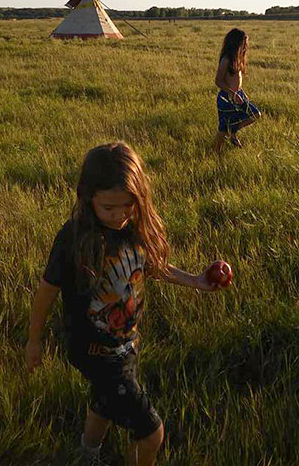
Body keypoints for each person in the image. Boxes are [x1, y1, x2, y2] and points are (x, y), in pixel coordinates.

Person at [26, 142, 229, 466]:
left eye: (128, 205)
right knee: (151, 432)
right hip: (93, 350)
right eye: (109, 208)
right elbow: (46, 291)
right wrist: (34, 341)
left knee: (104, 403)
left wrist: (196, 281)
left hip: (124, 342)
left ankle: (88, 453)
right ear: (87, 197)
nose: (119, 215)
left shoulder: (133, 228)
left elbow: (149, 266)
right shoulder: (74, 238)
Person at [214, 28, 261, 153]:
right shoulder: (226, 60)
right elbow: (218, 81)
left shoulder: (238, 59)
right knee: (223, 129)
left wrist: (240, 92)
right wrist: (232, 93)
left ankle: (233, 131)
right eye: (243, 43)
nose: (246, 46)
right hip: (226, 98)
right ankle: (215, 153)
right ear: (235, 43)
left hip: (238, 95)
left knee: (255, 114)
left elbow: (237, 80)